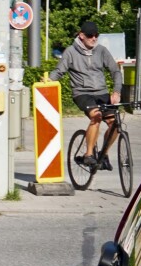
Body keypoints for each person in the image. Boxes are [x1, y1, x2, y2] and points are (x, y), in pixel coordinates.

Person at [49, 20, 122, 170]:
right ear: (81, 35)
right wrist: (47, 81)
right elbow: (59, 71)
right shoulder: (70, 52)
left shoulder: (101, 50)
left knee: (115, 125)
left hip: (101, 92)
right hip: (82, 93)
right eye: (90, 35)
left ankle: (103, 155)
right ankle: (88, 155)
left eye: (96, 35)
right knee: (97, 116)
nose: (94, 38)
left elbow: (115, 71)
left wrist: (116, 91)